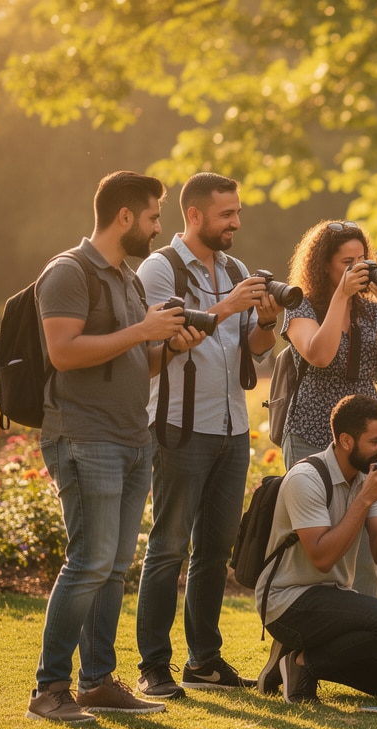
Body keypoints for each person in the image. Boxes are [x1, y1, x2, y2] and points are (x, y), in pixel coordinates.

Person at [27, 171, 206, 723]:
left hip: (132, 437)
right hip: (84, 437)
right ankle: (49, 690)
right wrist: (143, 331)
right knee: (88, 563)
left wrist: (171, 347)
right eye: (153, 217)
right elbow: (64, 352)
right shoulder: (68, 272)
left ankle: (97, 682)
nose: (158, 227)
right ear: (125, 217)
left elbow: (134, 360)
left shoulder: (128, 280)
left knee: (113, 568)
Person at [133, 173, 282, 699]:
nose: (236, 223)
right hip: (177, 425)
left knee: (214, 551)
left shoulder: (236, 269)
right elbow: (170, 334)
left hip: (231, 427)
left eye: (237, 213)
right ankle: (153, 666)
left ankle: (204, 661)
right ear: (193, 215)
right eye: (226, 214)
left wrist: (266, 320)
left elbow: (255, 347)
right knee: (168, 547)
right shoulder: (160, 269)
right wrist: (227, 307)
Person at [256, 394, 377, 704]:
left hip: (333, 600)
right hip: (287, 601)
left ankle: (297, 657)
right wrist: (363, 499)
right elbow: (322, 558)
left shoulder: (368, 476)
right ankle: (300, 665)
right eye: (376, 440)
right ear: (346, 441)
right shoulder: (306, 479)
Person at [280, 220, 377, 597]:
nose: (358, 269)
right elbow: (319, 355)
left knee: (369, 543)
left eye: (362, 260)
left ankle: (367, 631)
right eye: (346, 262)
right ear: (325, 267)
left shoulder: (369, 310)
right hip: (312, 433)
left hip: (365, 438)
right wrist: (340, 298)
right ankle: (314, 631)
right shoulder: (301, 304)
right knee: (318, 543)